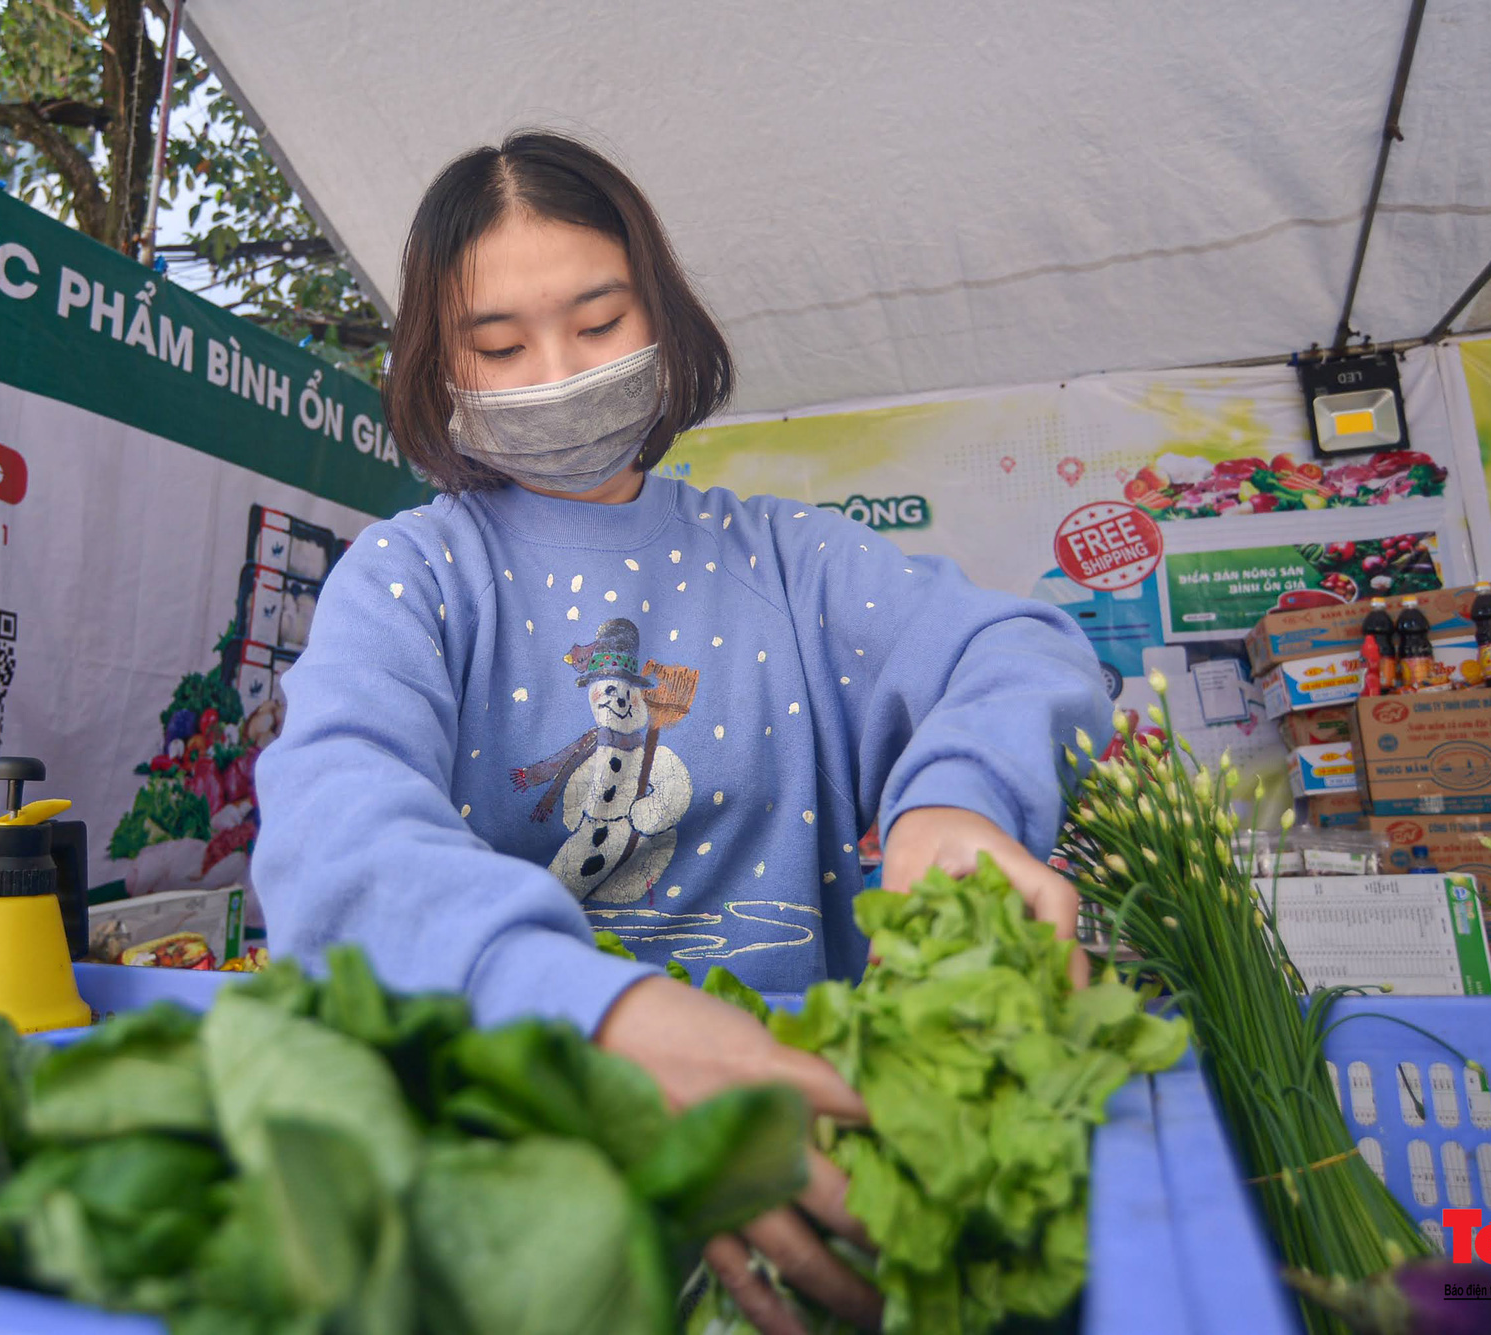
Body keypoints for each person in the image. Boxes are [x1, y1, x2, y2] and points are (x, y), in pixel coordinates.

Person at [252, 130, 1112, 1329]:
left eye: (597, 324)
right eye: (497, 345)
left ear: (661, 316)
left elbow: (1021, 650)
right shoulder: (413, 576)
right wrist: (580, 1013)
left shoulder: (783, 561)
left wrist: (958, 802)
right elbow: (330, 824)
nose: (553, 371)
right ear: (436, 369)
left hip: (815, 1184)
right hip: (526, 1208)